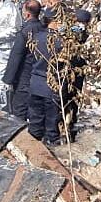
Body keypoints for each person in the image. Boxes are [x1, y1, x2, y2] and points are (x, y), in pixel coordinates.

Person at [26, 8, 66, 145]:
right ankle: (51, 144)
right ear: (54, 22)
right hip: (52, 84)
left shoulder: (36, 38)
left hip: (35, 83)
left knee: (35, 119)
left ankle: (33, 145)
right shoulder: (61, 41)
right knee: (52, 121)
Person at [3, 0, 45, 120]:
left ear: (26, 14)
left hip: (24, 76)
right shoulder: (43, 28)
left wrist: (8, 79)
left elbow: (16, 57)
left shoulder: (25, 32)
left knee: (19, 109)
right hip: (40, 74)